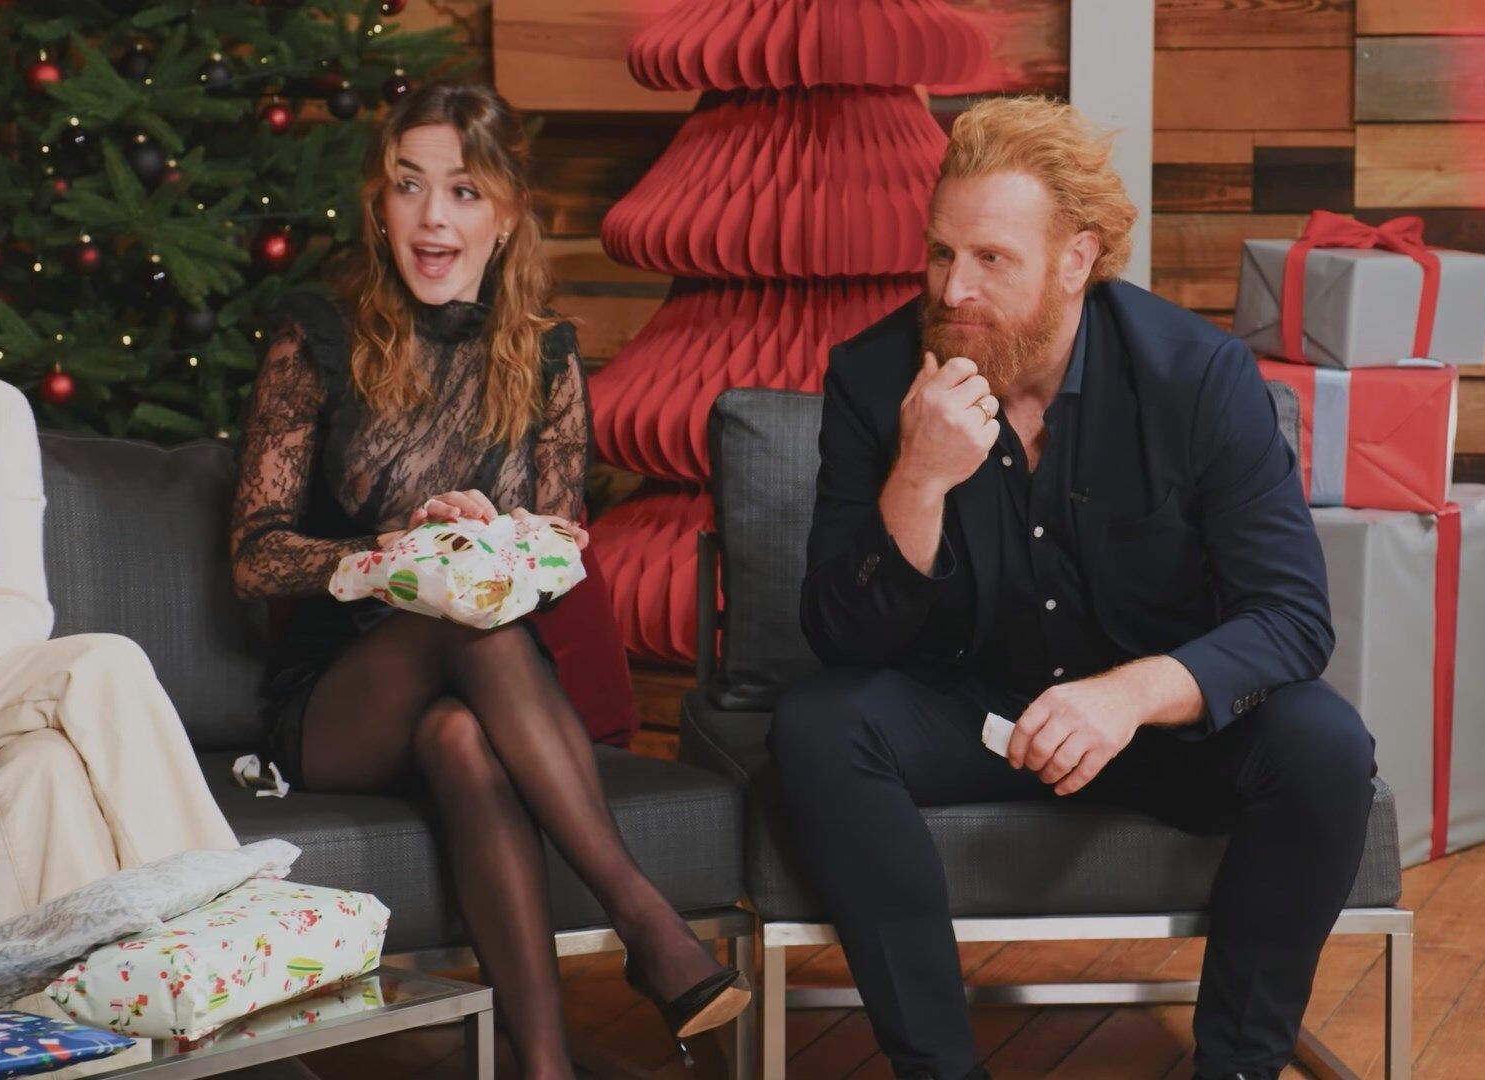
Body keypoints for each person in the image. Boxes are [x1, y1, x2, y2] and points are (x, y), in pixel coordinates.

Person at [768, 96, 1377, 1080]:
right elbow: (842, 638)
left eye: (991, 258)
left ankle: (1237, 1069)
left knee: (1323, 743)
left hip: (1154, 731)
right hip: (969, 714)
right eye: (940, 253)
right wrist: (917, 480)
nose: (953, 288)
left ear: (1076, 259)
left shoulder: (1199, 377)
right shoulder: (876, 376)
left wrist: (1129, 695)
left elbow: (1292, 617)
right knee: (817, 724)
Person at [228, 81, 748, 1078]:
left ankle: (543, 1067)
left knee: (463, 734)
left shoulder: (546, 355)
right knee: (464, 619)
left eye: (464, 191)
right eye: (409, 185)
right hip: (343, 700)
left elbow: (557, 559)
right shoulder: (319, 333)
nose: (433, 216)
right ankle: (647, 923)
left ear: (505, 214)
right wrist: (399, 553)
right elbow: (257, 555)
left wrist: (500, 540)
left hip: (481, 692)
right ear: (381, 204)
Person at [0, 141, 239, 934]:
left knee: (41, 774)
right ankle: (234, 936)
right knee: (98, 664)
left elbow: (13, 599)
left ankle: (88, 1012)